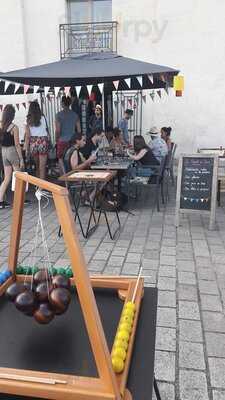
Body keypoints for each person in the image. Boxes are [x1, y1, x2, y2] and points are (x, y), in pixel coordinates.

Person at [0, 105, 24, 208]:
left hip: (3, 152)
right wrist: (21, 158)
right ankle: (19, 200)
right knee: (18, 176)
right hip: (12, 151)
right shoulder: (14, 127)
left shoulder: (1, 126)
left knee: (7, 178)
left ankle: (0, 200)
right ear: (12, 115)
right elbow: (17, 145)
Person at [55, 96, 81, 173]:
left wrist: (56, 139)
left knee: (60, 159)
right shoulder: (75, 115)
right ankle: (71, 176)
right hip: (72, 140)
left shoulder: (58, 115)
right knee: (71, 158)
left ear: (62, 103)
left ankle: (64, 177)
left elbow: (58, 130)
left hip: (62, 140)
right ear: (70, 103)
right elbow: (79, 130)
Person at [24, 101, 49, 180]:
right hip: (43, 141)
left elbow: (27, 136)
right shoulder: (43, 117)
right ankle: (41, 187)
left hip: (33, 142)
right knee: (42, 166)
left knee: (37, 165)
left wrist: (26, 149)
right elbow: (47, 130)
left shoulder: (28, 119)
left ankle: (37, 185)